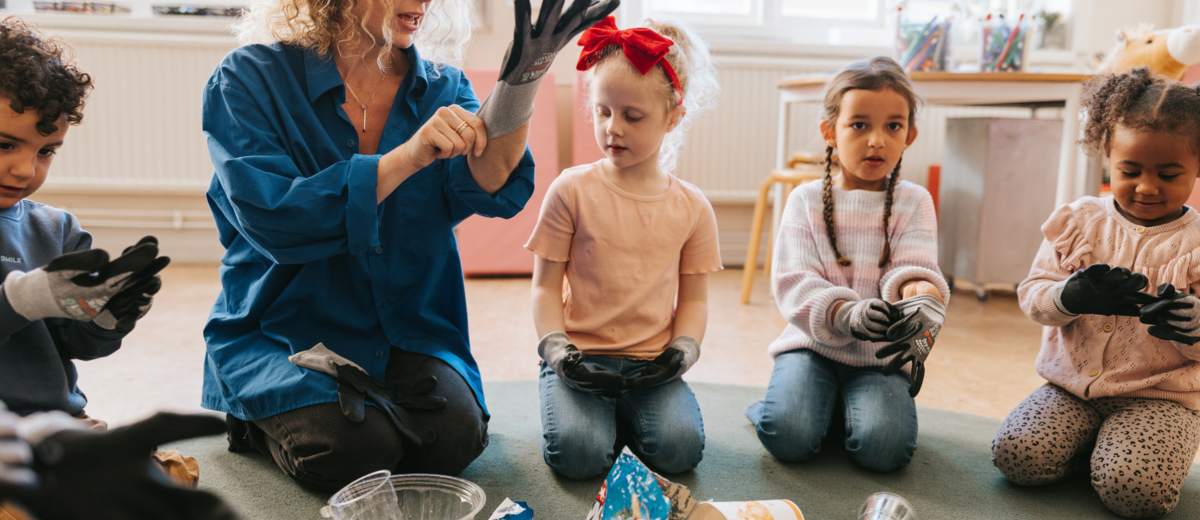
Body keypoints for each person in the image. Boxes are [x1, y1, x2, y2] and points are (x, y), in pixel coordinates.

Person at [203, 0, 616, 491]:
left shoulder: (443, 85)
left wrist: (524, 78)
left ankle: (365, 414)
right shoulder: (248, 78)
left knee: (456, 440)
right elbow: (275, 218)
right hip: (286, 329)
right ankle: (255, 417)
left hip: (406, 328)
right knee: (357, 452)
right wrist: (408, 156)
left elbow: (487, 182)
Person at [992, 67, 1200, 519]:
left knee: (1135, 494)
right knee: (1015, 457)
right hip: (1070, 388)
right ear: (1107, 153)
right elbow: (1033, 297)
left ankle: (1117, 456)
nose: (1146, 187)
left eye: (1168, 174)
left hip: (1159, 400)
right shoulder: (1079, 222)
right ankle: (1097, 449)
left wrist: (1190, 324)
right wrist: (1069, 297)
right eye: (1130, 170)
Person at [527, 16, 721, 480]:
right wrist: (558, 353)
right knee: (578, 456)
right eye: (602, 111)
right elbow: (544, 289)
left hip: (651, 366)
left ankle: (622, 419)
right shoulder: (570, 190)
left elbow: (694, 299)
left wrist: (682, 353)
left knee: (679, 452)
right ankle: (594, 416)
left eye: (632, 116)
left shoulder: (693, 207)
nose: (613, 128)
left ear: (674, 117)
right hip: (579, 359)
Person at [744, 56, 949, 472]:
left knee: (885, 452)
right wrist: (844, 312)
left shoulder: (915, 201)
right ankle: (807, 406)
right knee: (787, 438)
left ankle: (834, 410)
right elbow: (793, 281)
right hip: (811, 344)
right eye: (859, 125)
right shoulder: (803, 200)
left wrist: (923, 298)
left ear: (909, 135)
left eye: (893, 126)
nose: (877, 140)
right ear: (830, 132)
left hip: (881, 356)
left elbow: (914, 268)